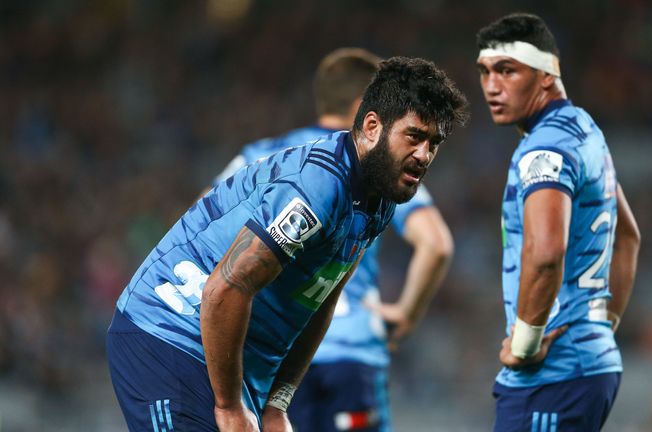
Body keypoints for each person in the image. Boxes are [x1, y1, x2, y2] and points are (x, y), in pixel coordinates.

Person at [107, 56, 468, 432]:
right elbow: (227, 287)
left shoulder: (380, 201)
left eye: (434, 143)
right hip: (167, 335)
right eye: (414, 136)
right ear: (372, 126)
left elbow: (321, 299)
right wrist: (231, 407)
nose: (425, 155)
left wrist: (278, 402)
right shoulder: (318, 186)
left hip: (227, 356)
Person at [209, 48, 455, 432]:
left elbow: (202, 223)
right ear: (368, 110)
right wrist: (406, 313)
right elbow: (436, 243)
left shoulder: (265, 156)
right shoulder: (381, 165)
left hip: (271, 351)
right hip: (352, 351)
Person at [475, 13, 641, 431]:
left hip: (553, 376)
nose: (492, 85)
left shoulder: (544, 147)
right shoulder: (585, 131)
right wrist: (601, 326)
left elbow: (546, 252)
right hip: (589, 364)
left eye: (507, 71)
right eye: (485, 72)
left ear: (547, 74)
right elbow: (628, 236)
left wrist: (527, 344)